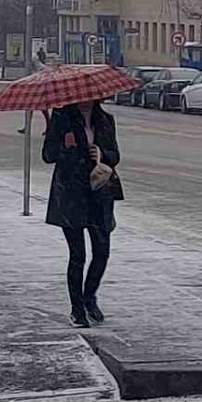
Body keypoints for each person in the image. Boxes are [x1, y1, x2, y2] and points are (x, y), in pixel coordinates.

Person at [42, 100, 123, 328]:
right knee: (78, 255)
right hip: (71, 195)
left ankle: (90, 296)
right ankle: (77, 309)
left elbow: (115, 156)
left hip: (99, 195)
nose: (86, 101)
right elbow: (48, 155)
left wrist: (102, 152)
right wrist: (65, 147)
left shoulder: (105, 120)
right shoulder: (61, 118)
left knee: (102, 252)